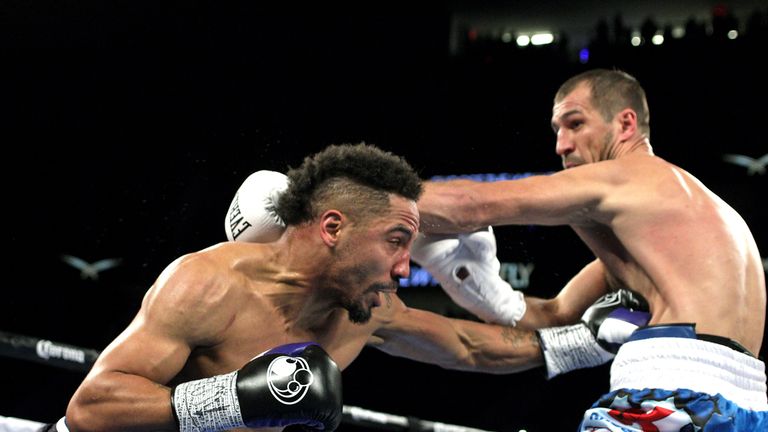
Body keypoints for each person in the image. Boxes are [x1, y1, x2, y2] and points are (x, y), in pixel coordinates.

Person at [59, 141, 645, 432]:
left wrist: (588, 344)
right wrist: (233, 400)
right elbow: (90, 408)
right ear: (334, 227)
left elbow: (472, 347)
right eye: (396, 241)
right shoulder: (208, 283)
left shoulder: (366, 312)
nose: (402, 269)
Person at [412, 68, 767, 430]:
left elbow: (471, 204)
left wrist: (364, 193)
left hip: (672, 389)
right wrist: (467, 277)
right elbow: (554, 315)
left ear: (626, 124)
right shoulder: (692, 225)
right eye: (557, 130)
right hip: (749, 408)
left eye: (575, 124)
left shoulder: (628, 176)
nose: (561, 145)